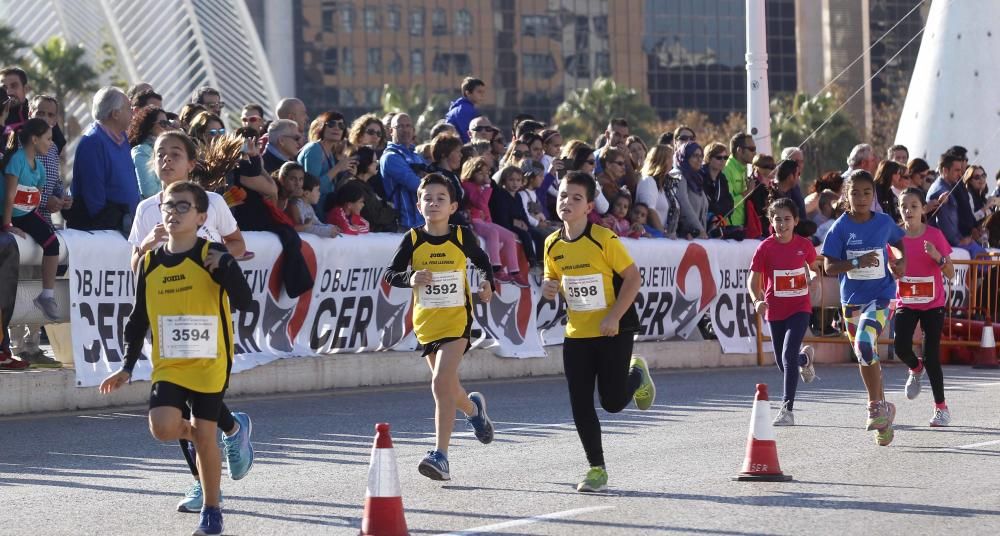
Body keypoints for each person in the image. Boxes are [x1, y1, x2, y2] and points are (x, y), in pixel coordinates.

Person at [100, 181, 254, 536]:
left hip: (210, 360)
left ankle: (212, 512)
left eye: (183, 207)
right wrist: (125, 366)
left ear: (201, 216)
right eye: (169, 206)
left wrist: (228, 266)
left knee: (203, 435)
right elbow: (138, 317)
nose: (173, 213)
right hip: (170, 362)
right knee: (164, 428)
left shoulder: (211, 255)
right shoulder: (150, 261)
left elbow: (244, 303)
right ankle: (209, 439)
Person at [541, 171, 655, 492]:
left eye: (576, 198)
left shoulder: (603, 239)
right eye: (563, 195)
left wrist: (614, 316)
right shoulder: (551, 244)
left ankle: (637, 375)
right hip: (576, 334)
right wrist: (548, 289)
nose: (567, 202)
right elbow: (553, 282)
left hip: (612, 331)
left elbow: (633, 279)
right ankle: (596, 468)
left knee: (613, 402)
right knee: (580, 403)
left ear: (590, 205)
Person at [383, 174, 496, 481]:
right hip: (427, 325)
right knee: (448, 387)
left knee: (438, 385)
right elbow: (391, 274)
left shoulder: (461, 236)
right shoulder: (413, 239)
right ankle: (474, 411)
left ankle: (441, 456)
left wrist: (487, 283)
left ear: (453, 205)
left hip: (457, 321)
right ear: (419, 205)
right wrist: (411, 278)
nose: (433, 203)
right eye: (428, 198)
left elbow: (484, 262)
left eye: (440, 198)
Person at [822, 170, 907, 446]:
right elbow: (829, 266)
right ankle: (884, 415)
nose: (861, 198)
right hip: (852, 302)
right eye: (855, 192)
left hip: (881, 296)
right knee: (864, 354)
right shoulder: (841, 227)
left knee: (864, 344)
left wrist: (901, 261)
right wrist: (858, 263)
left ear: (873, 196)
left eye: (866, 192)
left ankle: (873, 406)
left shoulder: (883, 222)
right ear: (846, 195)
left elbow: (899, 242)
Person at [128, 131, 246, 271]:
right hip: (164, 291)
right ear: (154, 163)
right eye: (160, 154)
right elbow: (135, 267)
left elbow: (239, 245)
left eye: (175, 154)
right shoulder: (145, 208)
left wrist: (209, 256)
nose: (166, 159)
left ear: (191, 164)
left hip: (205, 290)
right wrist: (145, 246)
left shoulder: (213, 202)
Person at [748, 198, 819, 426]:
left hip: (799, 308)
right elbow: (753, 280)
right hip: (775, 309)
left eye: (787, 219)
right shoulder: (765, 248)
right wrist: (757, 300)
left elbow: (814, 268)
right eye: (777, 219)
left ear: (796, 221)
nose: (782, 224)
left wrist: (814, 278)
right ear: (771, 221)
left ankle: (787, 410)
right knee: (782, 362)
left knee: (787, 356)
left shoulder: (804, 245)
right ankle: (805, 358)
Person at [894, 188, 953, 427]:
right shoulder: (895, 238)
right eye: (903, 206)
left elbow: (950, 272)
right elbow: (892, 269)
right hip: (906, 302)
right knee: (900, 347)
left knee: (932, 357)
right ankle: (914, 367)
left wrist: (938, 256)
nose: (908, 211)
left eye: (913, 206)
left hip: (932, 303)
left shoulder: (935, 236)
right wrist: (893, 269)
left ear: (922, 209)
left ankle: (941, 408)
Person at [2, 118, 60, 320]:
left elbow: (35, 200)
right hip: (7, 215)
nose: (51, 143)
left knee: (52, 243)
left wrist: (35, 225)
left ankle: (47, 295)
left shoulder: (40, 168)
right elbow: (9, 196)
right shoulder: (17, 160)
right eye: (48, 138)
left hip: (26, 216)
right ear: (34, 139)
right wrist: (8, 225)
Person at [66, 87, 139, 232]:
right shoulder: (93, 142)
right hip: (106, 230)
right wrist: (111, 224)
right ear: (115, 114)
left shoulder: (123, 137)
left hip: (127, 225)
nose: (133, 112)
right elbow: (94, 196)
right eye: (128, 108)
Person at [460, 157, 521, 283]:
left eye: (486, 173)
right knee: (493, 233)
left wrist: (489, 220)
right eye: (480, 173)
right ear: (471, 172)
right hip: (475, 221)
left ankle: (514, 271)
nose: (484, 176)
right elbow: (481, 203)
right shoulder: (468, 186)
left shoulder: (480, 187)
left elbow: (485, 208)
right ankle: (496, 268)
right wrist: (488, 186)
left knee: (509, 236)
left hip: (484, 221)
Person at [298, 111, 355, 211]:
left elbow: (331, 188)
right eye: (331, 124)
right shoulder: (314, 149)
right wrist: (337, 168)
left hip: (324, 210)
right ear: (322, 128)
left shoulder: (329, 153)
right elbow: (312, 188)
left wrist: (347, 175)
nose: (336, 128)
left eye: (341, 125)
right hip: (311, 213)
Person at [380, 113, 427, 229]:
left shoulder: (417, 156)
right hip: (403, 224)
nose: (405, 130)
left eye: (408, 126)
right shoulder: (390, 157)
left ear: (413, 130)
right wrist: (426, 178)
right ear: (391, 131)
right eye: (400, 126)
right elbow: (418, 185)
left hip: (423, 222)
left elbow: (431, 181)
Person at [490, 166, 538, 271]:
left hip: (519, 224)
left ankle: (542, 261)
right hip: (506, 225)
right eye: (511, 180)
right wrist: (514, 223)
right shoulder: (500, 195)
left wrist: (526, 224)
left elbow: (523, 214)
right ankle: (532, 262)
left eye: (518, 180)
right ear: (504, 181)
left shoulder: (518, 196)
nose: (515, 183)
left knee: (538, 233)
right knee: (525, 235)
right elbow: (500, 217)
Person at [127, 105, 171, 199]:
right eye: (163, 123)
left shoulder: (170, 149)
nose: (167, 127)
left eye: (168, 123)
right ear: (149, 126)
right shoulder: (141, 151)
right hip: (154, 208)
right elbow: (150, 192)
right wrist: (177, 190)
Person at [670, 141, 708, 239]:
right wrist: (700, 230)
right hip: (683, 238)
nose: (699, 159)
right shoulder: (678, 176)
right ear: (684, 157)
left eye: (701, 156)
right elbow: (684, 205)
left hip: (697, 236)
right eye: (695, 156)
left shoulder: (697, 179)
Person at [636, 144, 676, 237]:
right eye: (670, 158)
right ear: (661, 160)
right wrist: (663, 234)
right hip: (651, 238)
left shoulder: (663, 185)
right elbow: (649, 210)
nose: (672, 161)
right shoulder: (648, 181)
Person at [289, 172, 341, 237]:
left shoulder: (309, 207)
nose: (319, 193)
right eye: (317, 190)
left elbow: (318, 224)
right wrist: (327, 231)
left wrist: (332, 228)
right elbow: (303, 229)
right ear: (306, 193)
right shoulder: (295, 204)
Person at [722, 132, 756, 227]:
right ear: (739, 150)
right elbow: (729, 202)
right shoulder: (727, 169)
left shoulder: (743, 168)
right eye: (751, 149)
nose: (755, 153)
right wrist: (749, 191)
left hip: (742, 226)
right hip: (730, 228)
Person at [702, 142, 734, 237]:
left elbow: (729, 203)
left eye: (725, 158)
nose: (723, 161)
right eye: (719, 157)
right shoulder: (700, 176)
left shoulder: (722, 178)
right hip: (702, 225)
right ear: (709, 158)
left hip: (719, 223)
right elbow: (703, 202)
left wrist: (719, 213)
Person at [445, 77, 485, 143]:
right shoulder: (465, 110)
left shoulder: (460, 108)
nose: (482, 95)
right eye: (479, 92)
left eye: (483, 92)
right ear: (468, 93)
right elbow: (467, 135)